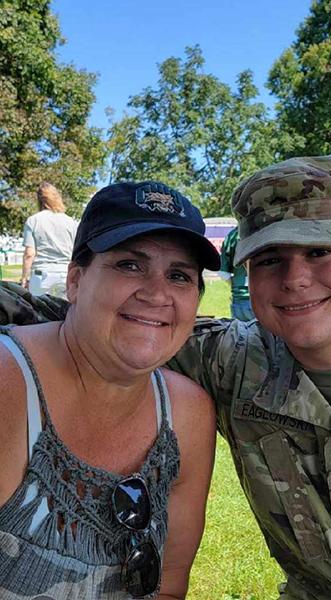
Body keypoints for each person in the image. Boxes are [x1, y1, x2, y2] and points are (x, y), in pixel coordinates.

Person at [2, 157, 331, 600]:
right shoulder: (234, 361)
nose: (295, 277)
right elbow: (101, 324)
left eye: (320, 251)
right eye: (269, 259)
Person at [0, 181, 218, 598]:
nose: (157, 293)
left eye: (179, 275)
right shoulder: (9, 386)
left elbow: (169, 584)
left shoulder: (187, 412)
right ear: (76, 281)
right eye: (129, 265)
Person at [21, 182, 78, 298]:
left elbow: (29, 254)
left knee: (37, 313)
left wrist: (24, 278)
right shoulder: (70, 222)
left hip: (40, 274)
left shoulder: (33, 221)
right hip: (64, 273)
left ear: (39, 200)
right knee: (64, 313)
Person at [219, 226, 254, 321]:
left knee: (240, 335)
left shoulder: (232, 236)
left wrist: (236, 287)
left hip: (239, 300)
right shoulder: (266, 232)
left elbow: (223, 273)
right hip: (264, 298)